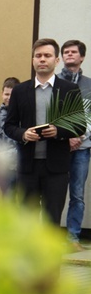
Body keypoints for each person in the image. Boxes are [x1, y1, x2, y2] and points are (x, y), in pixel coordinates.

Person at [4, 38, 84, 226]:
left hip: (56, 167)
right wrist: (23, 134)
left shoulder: (69, 90)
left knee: (52, 220)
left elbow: (79, 125)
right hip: (27, 166)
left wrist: (58, 131)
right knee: (26, 219)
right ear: (32, 60)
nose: (42, 59)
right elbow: (9, 125)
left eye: (47, 55)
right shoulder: (20, 90)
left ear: (56, 61)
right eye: (38, 56)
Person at [58, 40, 91, 250]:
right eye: (66, 52)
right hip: (57, 147)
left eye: (73, 52)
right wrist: (65, 136)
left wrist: (79, 135)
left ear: (82, 57)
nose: (69, 55)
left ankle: (73, 238)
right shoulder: (53, 82)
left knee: (77, 194)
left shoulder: (90, 85)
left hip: (82, 149)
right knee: (54, 191)